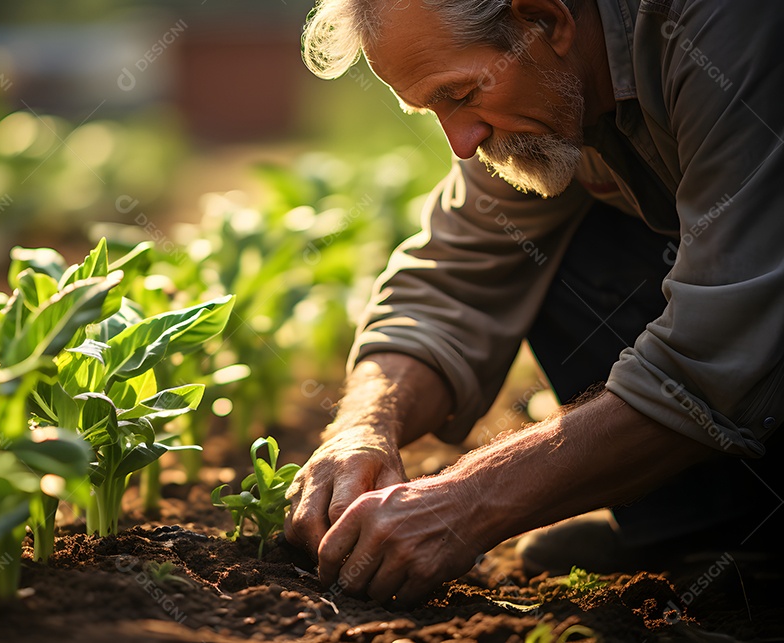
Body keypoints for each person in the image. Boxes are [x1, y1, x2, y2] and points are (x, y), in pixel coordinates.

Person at [284, 0, 783, 607]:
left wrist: (466, 503)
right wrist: (362, 428)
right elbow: (456, 279)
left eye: (460, 94)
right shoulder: (544, 90)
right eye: (434, 109)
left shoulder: (730, 34)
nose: (462, 144)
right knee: (549, 247)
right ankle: (712, 529)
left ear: (546, 20)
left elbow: (727, 348)